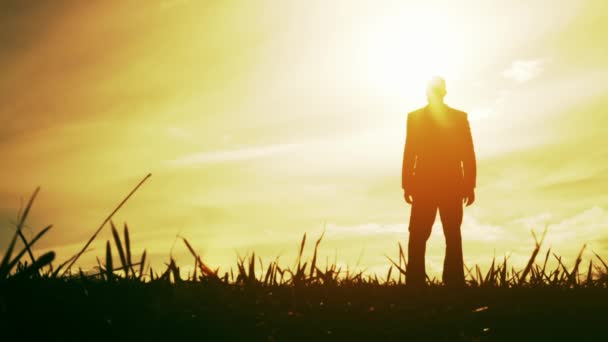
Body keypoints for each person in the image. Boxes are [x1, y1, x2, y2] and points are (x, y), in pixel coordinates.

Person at [401, 77, 476, 288]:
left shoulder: (457, 118)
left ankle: (446, 281)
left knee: (448, 233)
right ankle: (421, 281)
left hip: (444, 182)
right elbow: (410, 151)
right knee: (422, 233)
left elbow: (467, 153)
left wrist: (469, 184)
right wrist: (407, 183)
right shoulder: (416, 117)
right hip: (432, 183)